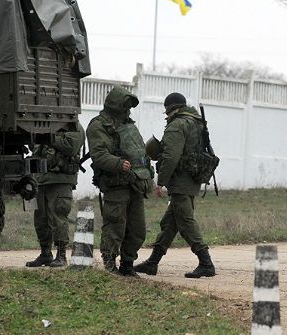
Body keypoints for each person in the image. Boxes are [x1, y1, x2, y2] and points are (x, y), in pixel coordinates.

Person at [135, 92, 216, 279]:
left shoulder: (177, 125)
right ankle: (152, 263)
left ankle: (206, 263)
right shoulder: (196, 121)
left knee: (186, 222)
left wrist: (161, 181)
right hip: (191, 177)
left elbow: (171, 156)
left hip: (181, 180)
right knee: (170, 223)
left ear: (169, 109)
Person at [86, 86, 153, 276]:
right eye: (125, 106)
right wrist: (117, 163)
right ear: (115, 105)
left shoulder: (127, 123)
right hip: (115, 184)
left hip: (135, 183)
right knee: (115, 226)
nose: (128, 111)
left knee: (137, 229)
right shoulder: (98, 125)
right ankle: (109, 265)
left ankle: (127, 265)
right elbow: (98, 154)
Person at [26, 122, 85, 268]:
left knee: (58, 217)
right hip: (40, 178)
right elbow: (33, 145)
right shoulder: (43, 123)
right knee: (40, 219)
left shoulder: (73, 126)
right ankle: (45, 254)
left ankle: (61, 255)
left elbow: (71, 146)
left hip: (60, 179)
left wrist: (48, 138)